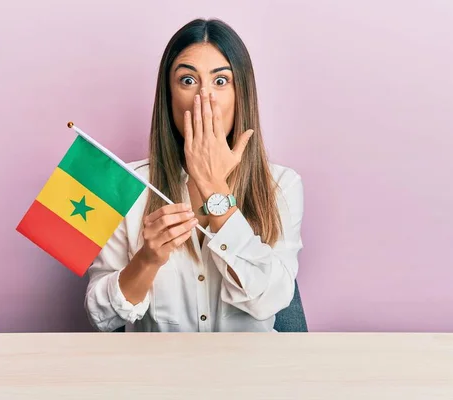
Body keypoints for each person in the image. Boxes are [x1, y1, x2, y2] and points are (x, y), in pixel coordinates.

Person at [84, 18, 304, 332]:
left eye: (221, 81)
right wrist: (147, 260)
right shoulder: (125, 184)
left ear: (241, 93)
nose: (205, 97)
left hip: (249, 377)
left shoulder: (282, 185)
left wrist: (215, 189)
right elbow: (101, 317)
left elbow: (270, 300)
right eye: (188, 81)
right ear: (169, 96)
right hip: (157, 376)